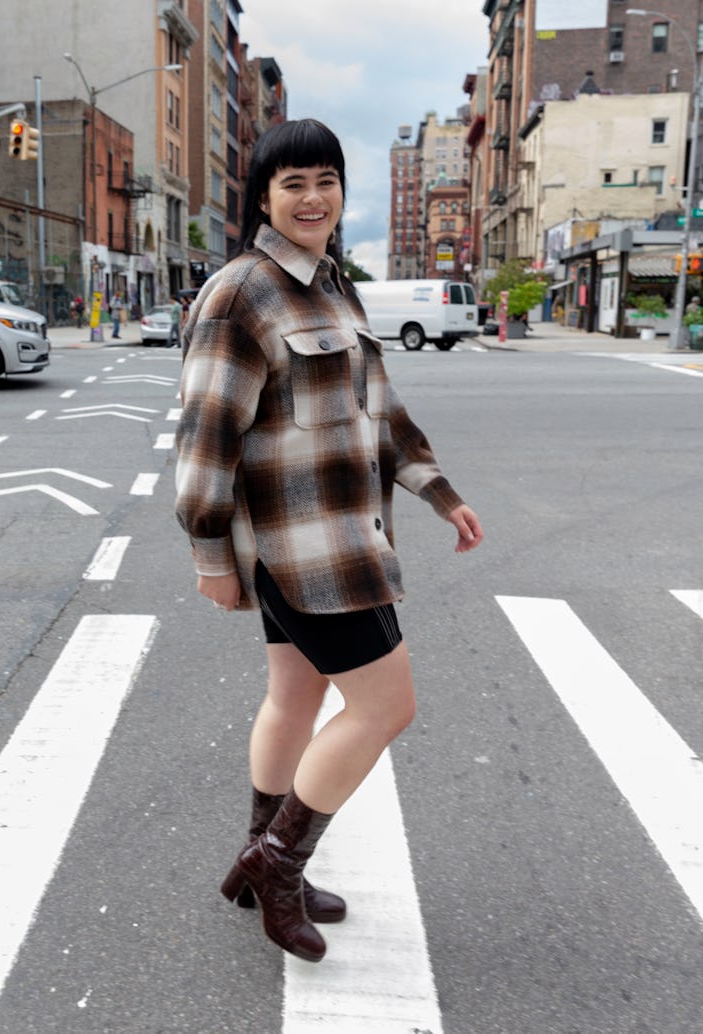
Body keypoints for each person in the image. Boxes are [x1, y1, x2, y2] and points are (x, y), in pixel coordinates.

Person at [175, 119, 483, 964]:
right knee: (387, 707)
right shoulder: (243, 294)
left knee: (297, 699)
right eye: (293, 185)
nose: (313, 199)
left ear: (343, 193)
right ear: (262, 198)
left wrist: (436, 492)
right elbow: (205, 439)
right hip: (301, 553)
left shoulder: (335, 287)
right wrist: (211, 555)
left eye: (326, 182)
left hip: (350, 533)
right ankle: (276, 866)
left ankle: (257, 861)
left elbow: (380, 411)